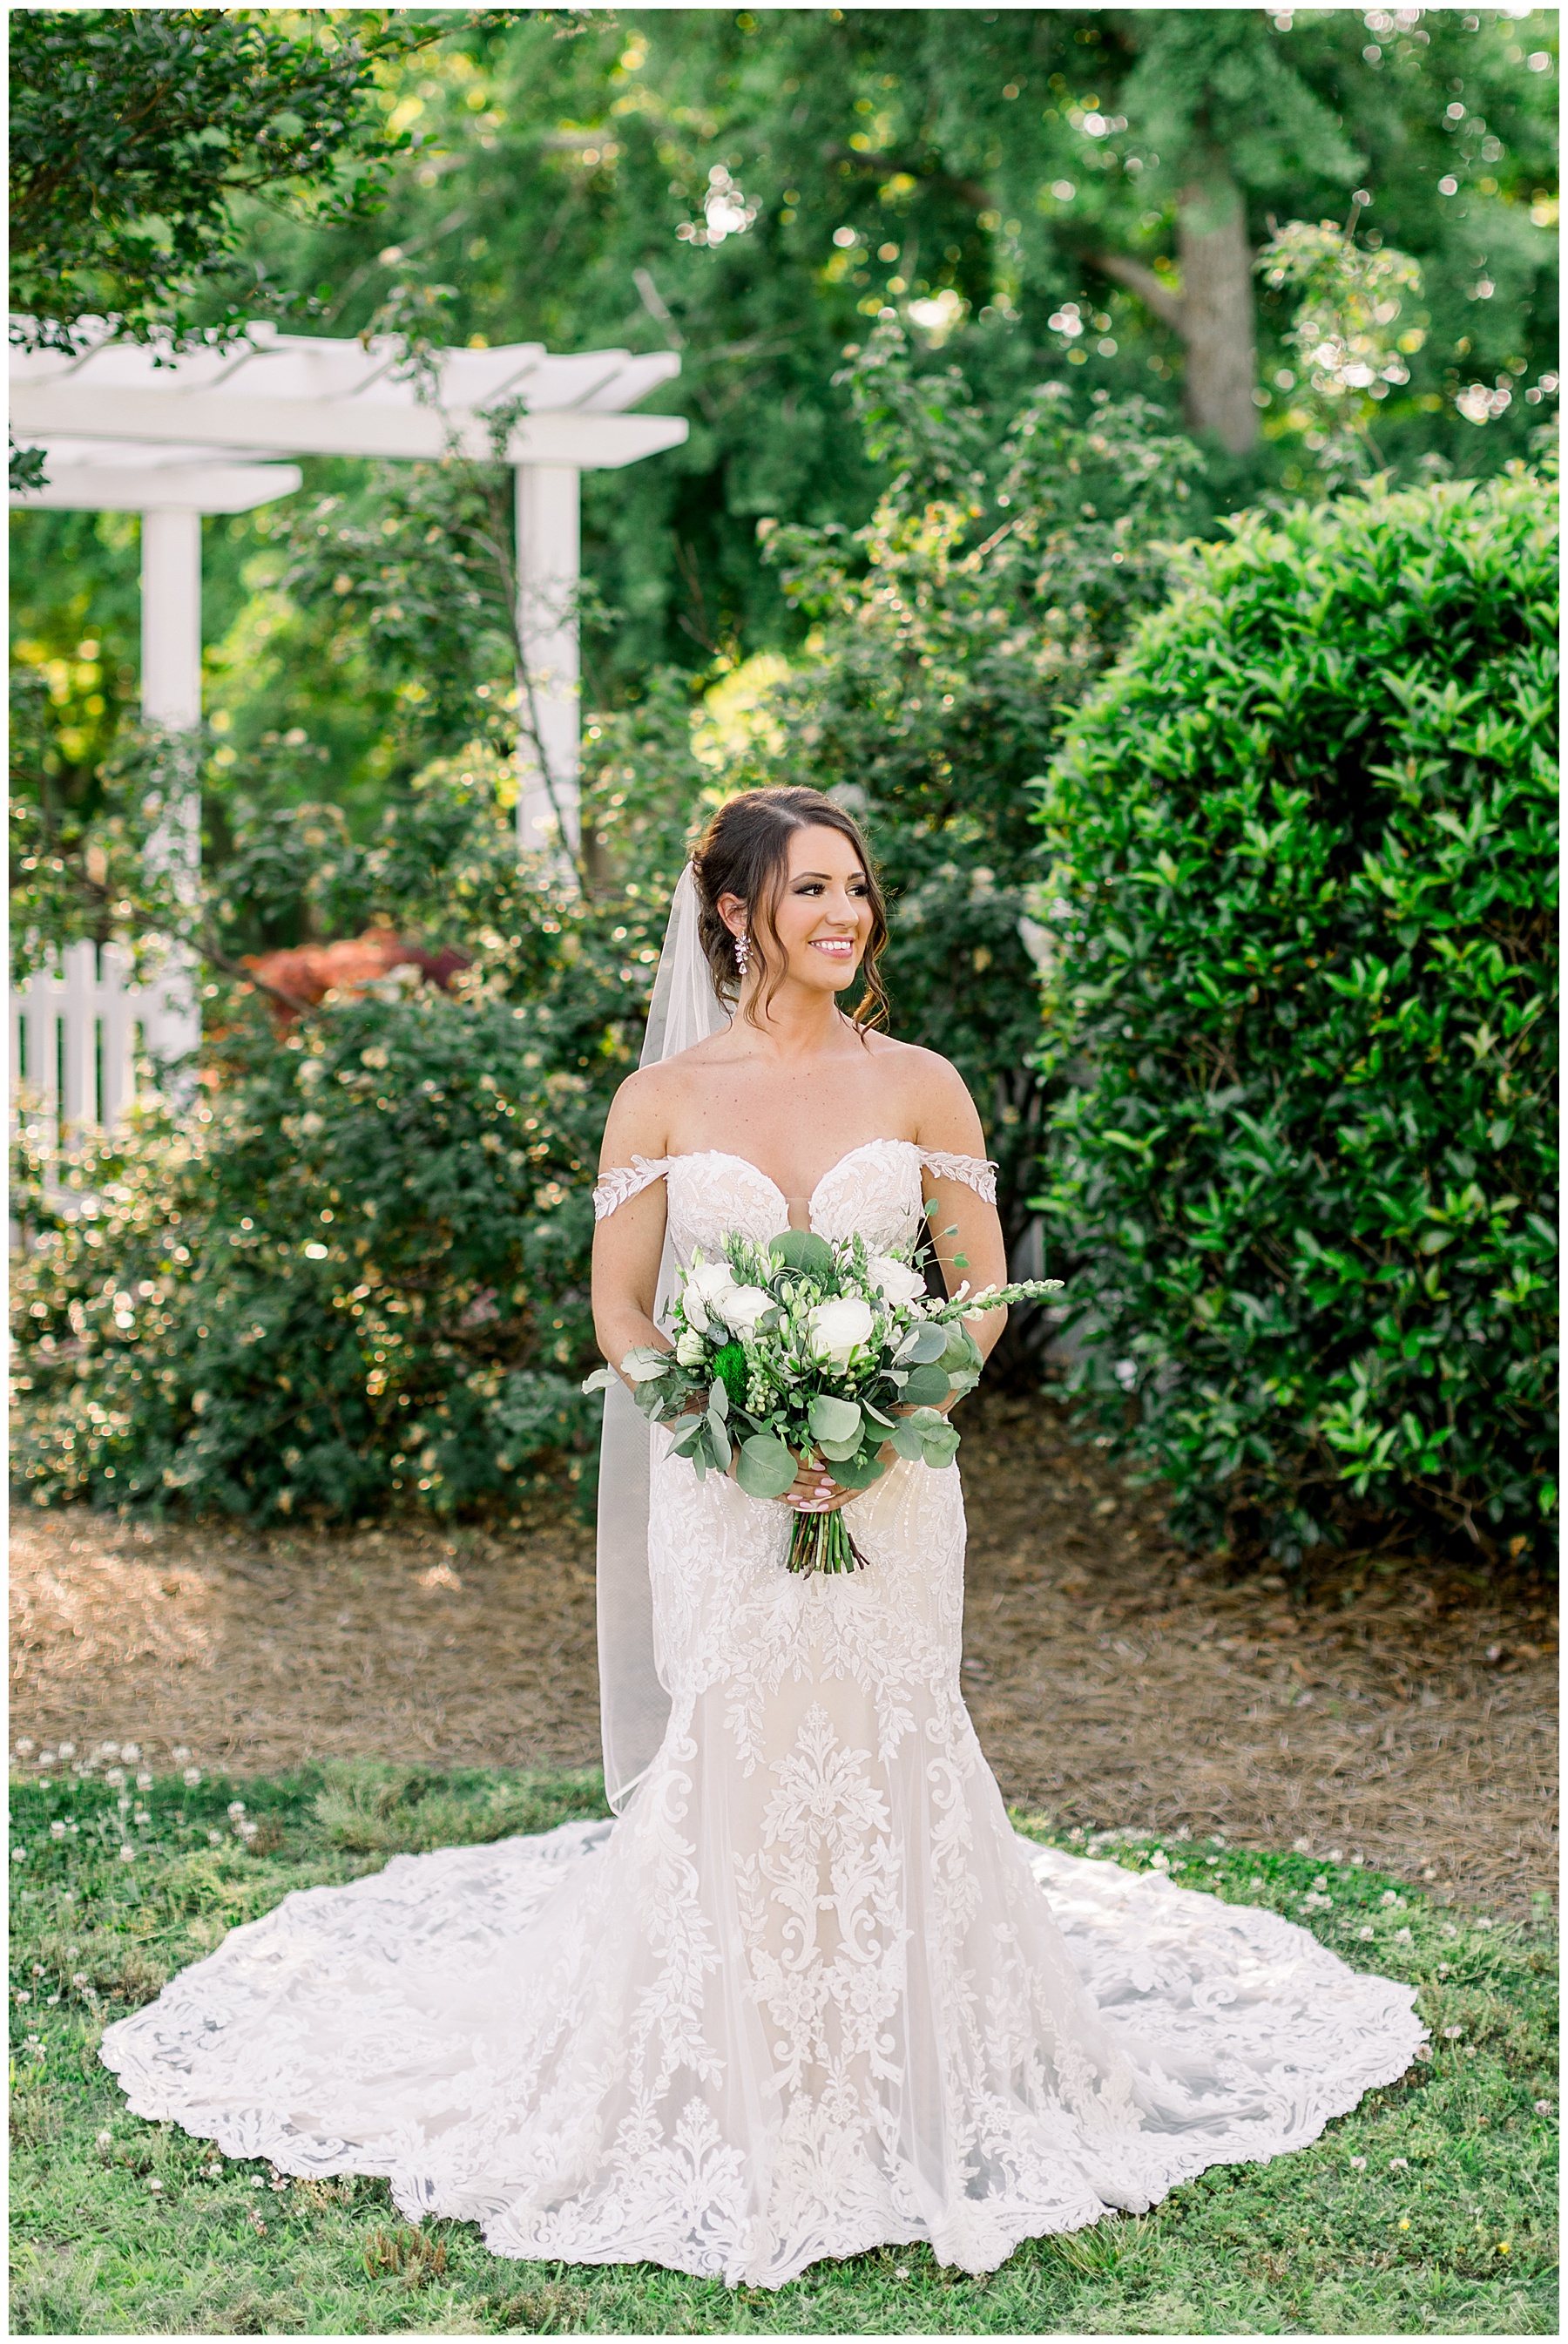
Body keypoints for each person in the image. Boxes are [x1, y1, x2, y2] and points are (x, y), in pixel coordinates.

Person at [101, 786, 1425, 2289]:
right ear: (736, 913)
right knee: (739, 1737)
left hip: (897, 1489)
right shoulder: (661, 1102)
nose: (845, 918)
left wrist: (882, 1413)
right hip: (719, 1489)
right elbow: (621, 1305)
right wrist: (735, 1425)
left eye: (856, 890)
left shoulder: (923, 1083)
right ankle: (733, 2066)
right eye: (810, 893)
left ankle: (908, 2061)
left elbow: (978, 1295)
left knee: (888, 1731)